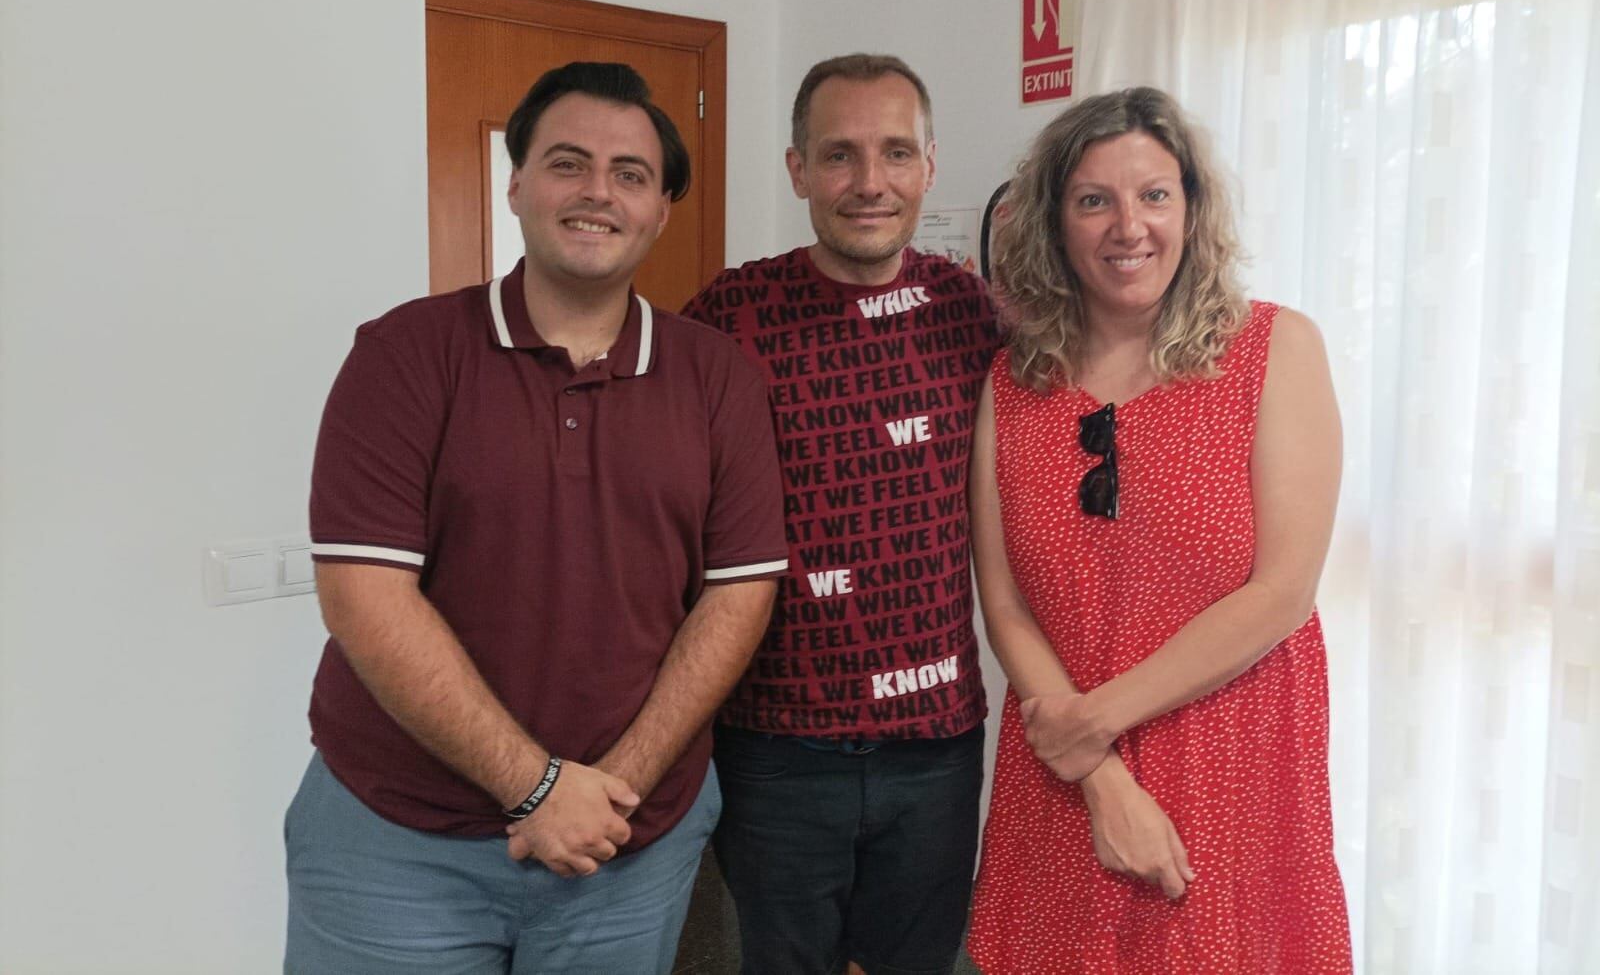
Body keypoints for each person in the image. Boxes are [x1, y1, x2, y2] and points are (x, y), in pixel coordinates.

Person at [284, 62, 788, 974]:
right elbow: (365, 598)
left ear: (661, 209)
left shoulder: (718, 377)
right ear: (514, 183)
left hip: (626, 845)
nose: (599, 192)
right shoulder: (404, 355)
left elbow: (738, 596)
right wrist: (538, 788)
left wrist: (609, 793)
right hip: (398, 844)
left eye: (630, 174)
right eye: (568, 163)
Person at [966, 87, 1352, 973]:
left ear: (1192, 208)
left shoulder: (1274, 349)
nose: (1126, 226)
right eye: (1093, 199)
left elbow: (1283, 592)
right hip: (1064, 771)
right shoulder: (1012, 382)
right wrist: (1096, 771)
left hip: (1226, 759)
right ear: (1054, 223)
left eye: (1154, 195)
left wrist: (1090, 721)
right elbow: (1007, 605)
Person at [682, 53, 1001, 975]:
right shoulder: (729, 315)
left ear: (929, 167)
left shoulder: (968, 312)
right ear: (796, 170)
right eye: (839, 156)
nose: (870, 183)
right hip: (774, 741)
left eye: (896, 153)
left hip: (937, 739)